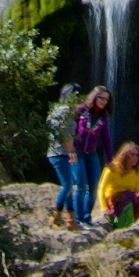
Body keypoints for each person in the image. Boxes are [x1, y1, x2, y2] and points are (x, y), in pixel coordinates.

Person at [72, 85, 115, 228]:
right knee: (81, 185)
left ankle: (87, 217)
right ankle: (78, 220)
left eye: (107, 100)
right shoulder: (81, 110)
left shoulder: (103, 118)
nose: (104, 102)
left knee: (93, 186)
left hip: (91, 154)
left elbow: (107, 139)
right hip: (77, 152)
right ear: (95, 97)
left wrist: (110, 160)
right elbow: (68, 129)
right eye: (102, 98)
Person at [45, 81, 82, 230]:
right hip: (59, 153)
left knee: (69, 186)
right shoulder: (65, 111)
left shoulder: (57, 110)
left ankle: (71, 220)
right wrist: (72, 150)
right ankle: (56, 217)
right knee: (67, 186)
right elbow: (64, 134)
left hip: (59, 152)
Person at [96, 140, 139, 229]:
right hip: (114, 200)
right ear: (125, 155)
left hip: (129, 200)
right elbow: (101, 188)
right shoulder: (112, 168)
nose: (136, 157)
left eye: (137, 155)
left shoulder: (136, 172)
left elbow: (136, 191)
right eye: (132, 155)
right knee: (126, 195)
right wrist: (104, 208)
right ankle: (116, 220)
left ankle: (135, 220)